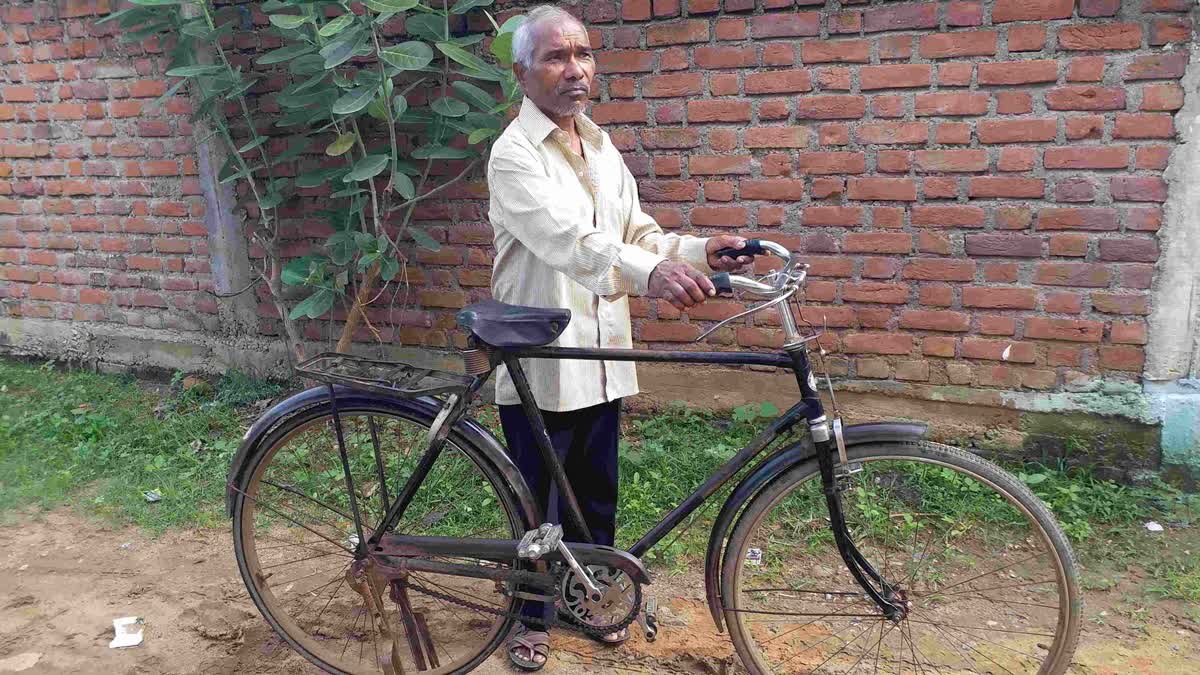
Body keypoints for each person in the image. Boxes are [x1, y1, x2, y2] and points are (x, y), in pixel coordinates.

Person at [485, 5, 753, 670]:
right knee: (538, 501)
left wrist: (696, 252)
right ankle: (529, 616)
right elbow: (572, 243)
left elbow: (637, 235)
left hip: (602, 355)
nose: (575, 69)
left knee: (595, 490)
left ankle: (584, 593)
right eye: (555, 56)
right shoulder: (512, 154)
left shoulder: (599, 146)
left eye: (583, 53)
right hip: (541, 357)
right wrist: (652, 274)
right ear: (523, 73)